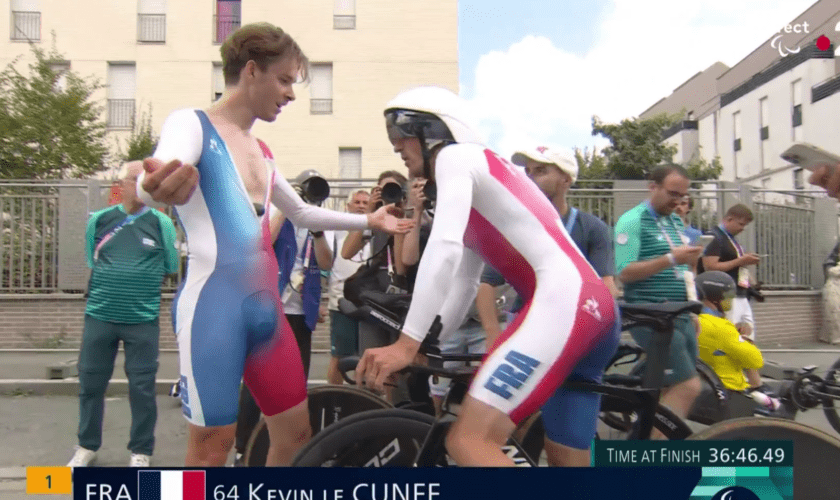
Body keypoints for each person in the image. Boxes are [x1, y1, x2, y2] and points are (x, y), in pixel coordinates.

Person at [135, 23, 411, 467]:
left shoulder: (261, 150)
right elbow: (161, 174)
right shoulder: (192, 124)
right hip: (213, 310)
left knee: (297, 435)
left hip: (269, 317)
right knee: (211, 447)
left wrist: (369, 218)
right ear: (251, 72)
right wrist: (152, 187)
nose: (291, 94)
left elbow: (301, 213)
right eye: (284, 80)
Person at [356, 86, 620, 467]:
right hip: (591, 310)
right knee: (567, 462)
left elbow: (442, 249)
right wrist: (433, 343)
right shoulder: (480, 171)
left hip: (563, 305)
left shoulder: (456, 157)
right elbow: (463, 280)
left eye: (401, 132)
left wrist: (406, 344)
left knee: (469, 441)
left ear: (434, 132)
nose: (396, 144)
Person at [67, 161, 179, 468]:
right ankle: (86, 446)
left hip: (142, 321)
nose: (143, 184)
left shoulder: (161, 223)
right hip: (100, 317)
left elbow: (171, 267)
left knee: (141, 389)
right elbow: (94, 260)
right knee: (90, 384)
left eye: (146, 179)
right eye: (136, 179)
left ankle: (141, 451)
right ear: (122, 186)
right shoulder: (100, 221)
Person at [613, 163, 704, 437]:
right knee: (688, 386)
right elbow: (624, 273)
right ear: (652, 186)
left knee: (667, 391)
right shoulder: (632, 220)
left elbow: (685, 270)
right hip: (651, 313)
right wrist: (671, 258)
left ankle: (637, 452)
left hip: (680, 313)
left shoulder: (676, 220)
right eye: (672, 194)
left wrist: (693, 306)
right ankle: (654, 464)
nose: (677, 202)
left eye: (683, 197)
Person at [695, 271, 781, 412]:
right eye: (729, 296)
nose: (732, 299)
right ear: (716, 297)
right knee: (780, 407)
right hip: (730, 392)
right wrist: (745, 339)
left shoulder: (693, 320)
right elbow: (755, 361)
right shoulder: (721, 327)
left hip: (704, 388)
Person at [701, 204, 762, 388]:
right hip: (727, 295)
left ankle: (756, 384)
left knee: (748, 337)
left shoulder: (732, 240)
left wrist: (750, 279)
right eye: (740, 224)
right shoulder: (715, 238)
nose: (742, 228)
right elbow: (710, 266)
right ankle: (741, 384)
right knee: (734, 338)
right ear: (729, 219)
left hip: (741, 294)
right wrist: (742, 260)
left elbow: (736, 266)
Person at [326, 189, 371, 384]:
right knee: (340, 357)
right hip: (341, 303)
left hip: (370, 303)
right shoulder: (336, 229)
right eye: (357, 202)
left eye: (365, 202)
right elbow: (326, 262)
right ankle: (334, 398)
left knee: (369, 358)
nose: (361, 206)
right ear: (348, 206)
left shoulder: (376, 229)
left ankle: (364, 401)